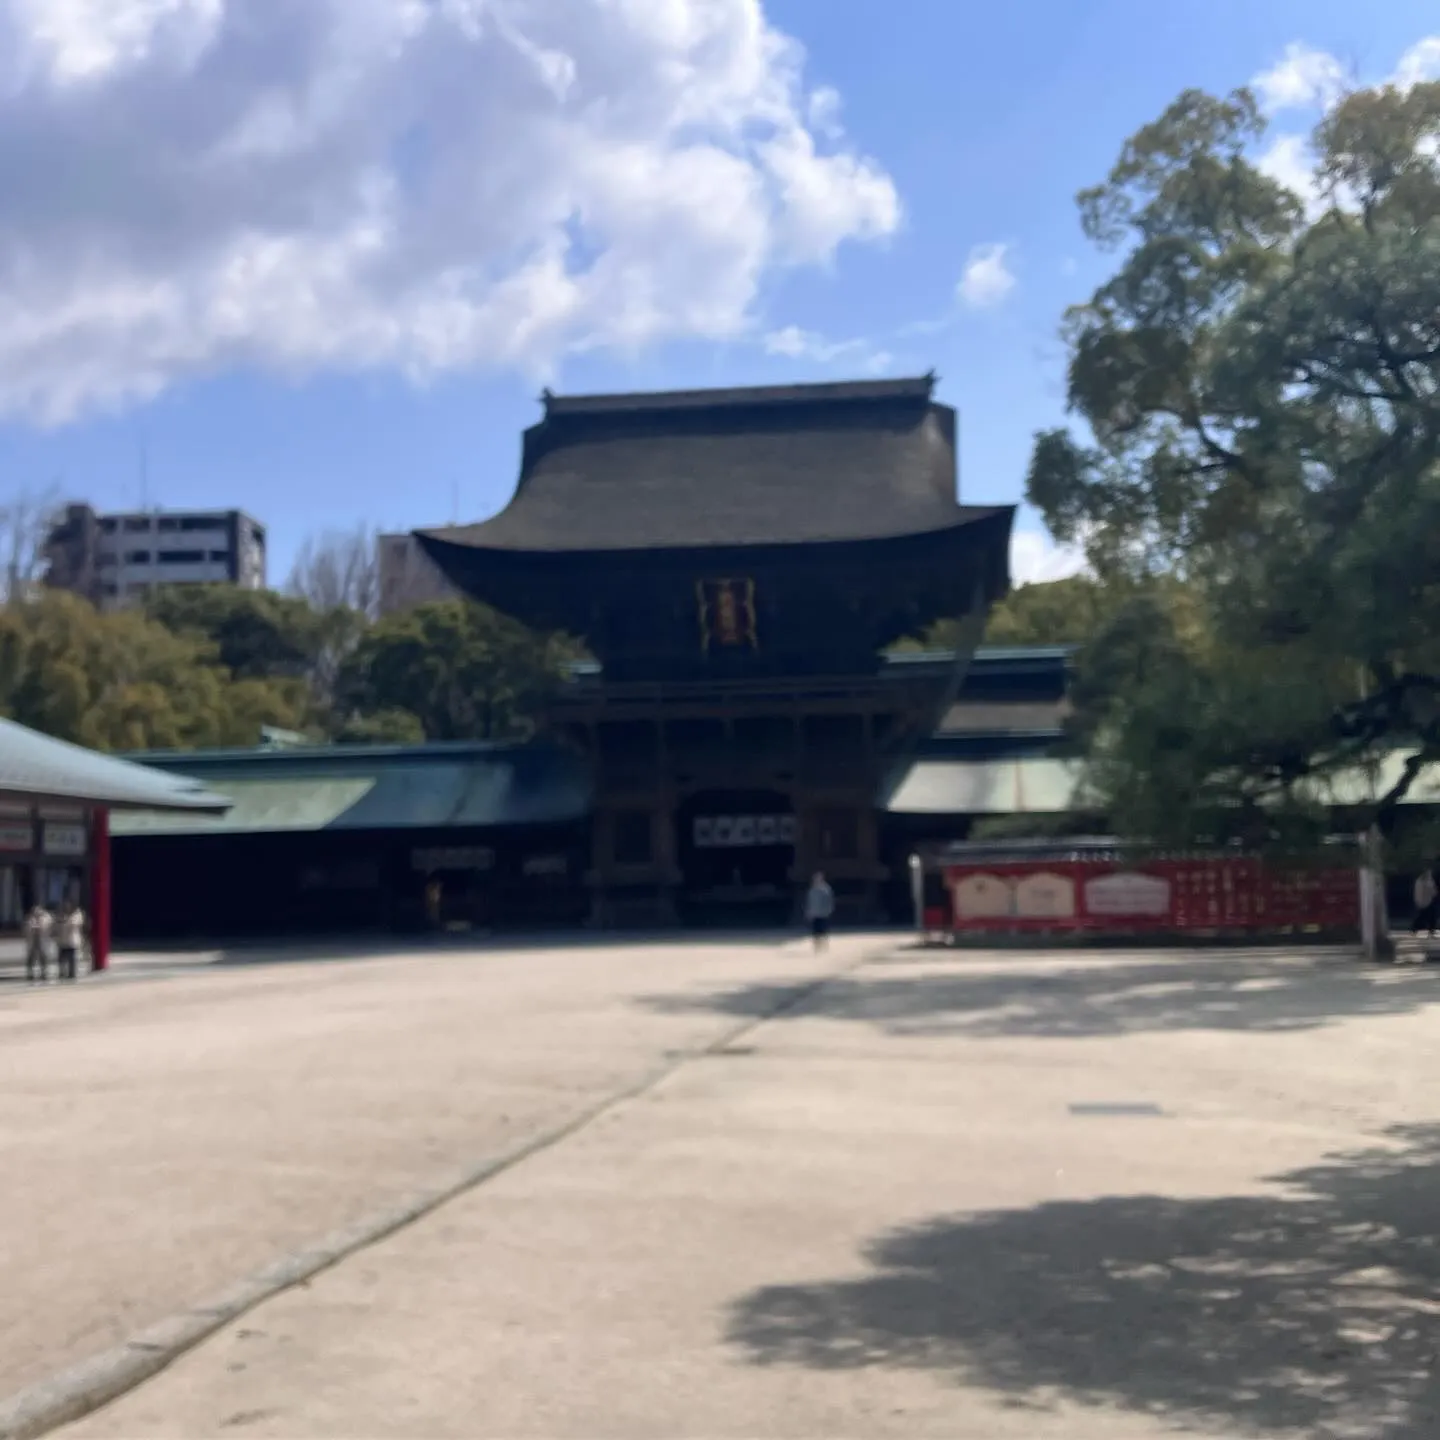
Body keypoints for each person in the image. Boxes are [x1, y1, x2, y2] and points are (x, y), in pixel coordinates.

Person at [804, 871, 835, 952]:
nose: (816, 880)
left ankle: (824, 946)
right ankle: (817, 947)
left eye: (817, 878)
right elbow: (809, 902)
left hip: (823, 913)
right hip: (815, 913)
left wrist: (829, 910)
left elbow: (829, 901)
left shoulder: (826, 889)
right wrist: (809, 912)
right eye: (815, 879)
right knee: (815, 931)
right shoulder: (812, 890)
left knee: (823, 931)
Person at [23, 901, 53, 983]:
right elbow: (28, 928)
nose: (36, 913)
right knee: (31, 958)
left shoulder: (46, 917)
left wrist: (38, 927)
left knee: (44, 957)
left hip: (43, 940)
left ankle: (44, 973)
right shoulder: (30, 918)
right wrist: (34, 928)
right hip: (33, 941)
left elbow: (45, 927)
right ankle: (31, 974)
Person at [56, 899, 85, 981]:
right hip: (62, 940)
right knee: (61, 959)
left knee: (71, 959)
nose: (66, 908)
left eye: (68, 906)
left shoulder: (77, 915)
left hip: (72, 941)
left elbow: (73, 924)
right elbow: (57, 925)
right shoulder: (61, 915)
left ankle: (72, 973)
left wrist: (64, 921)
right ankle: (62, 973)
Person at [1414, 865, 1439, 939]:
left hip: (1430, 901)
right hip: (1424, 902)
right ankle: (1415, 928)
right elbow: (1420, 892)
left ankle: (1431, 931)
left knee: (1431, 917)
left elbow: (1433, 890)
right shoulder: (1421, 881)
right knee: (1422, 917)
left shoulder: (1429, 880)